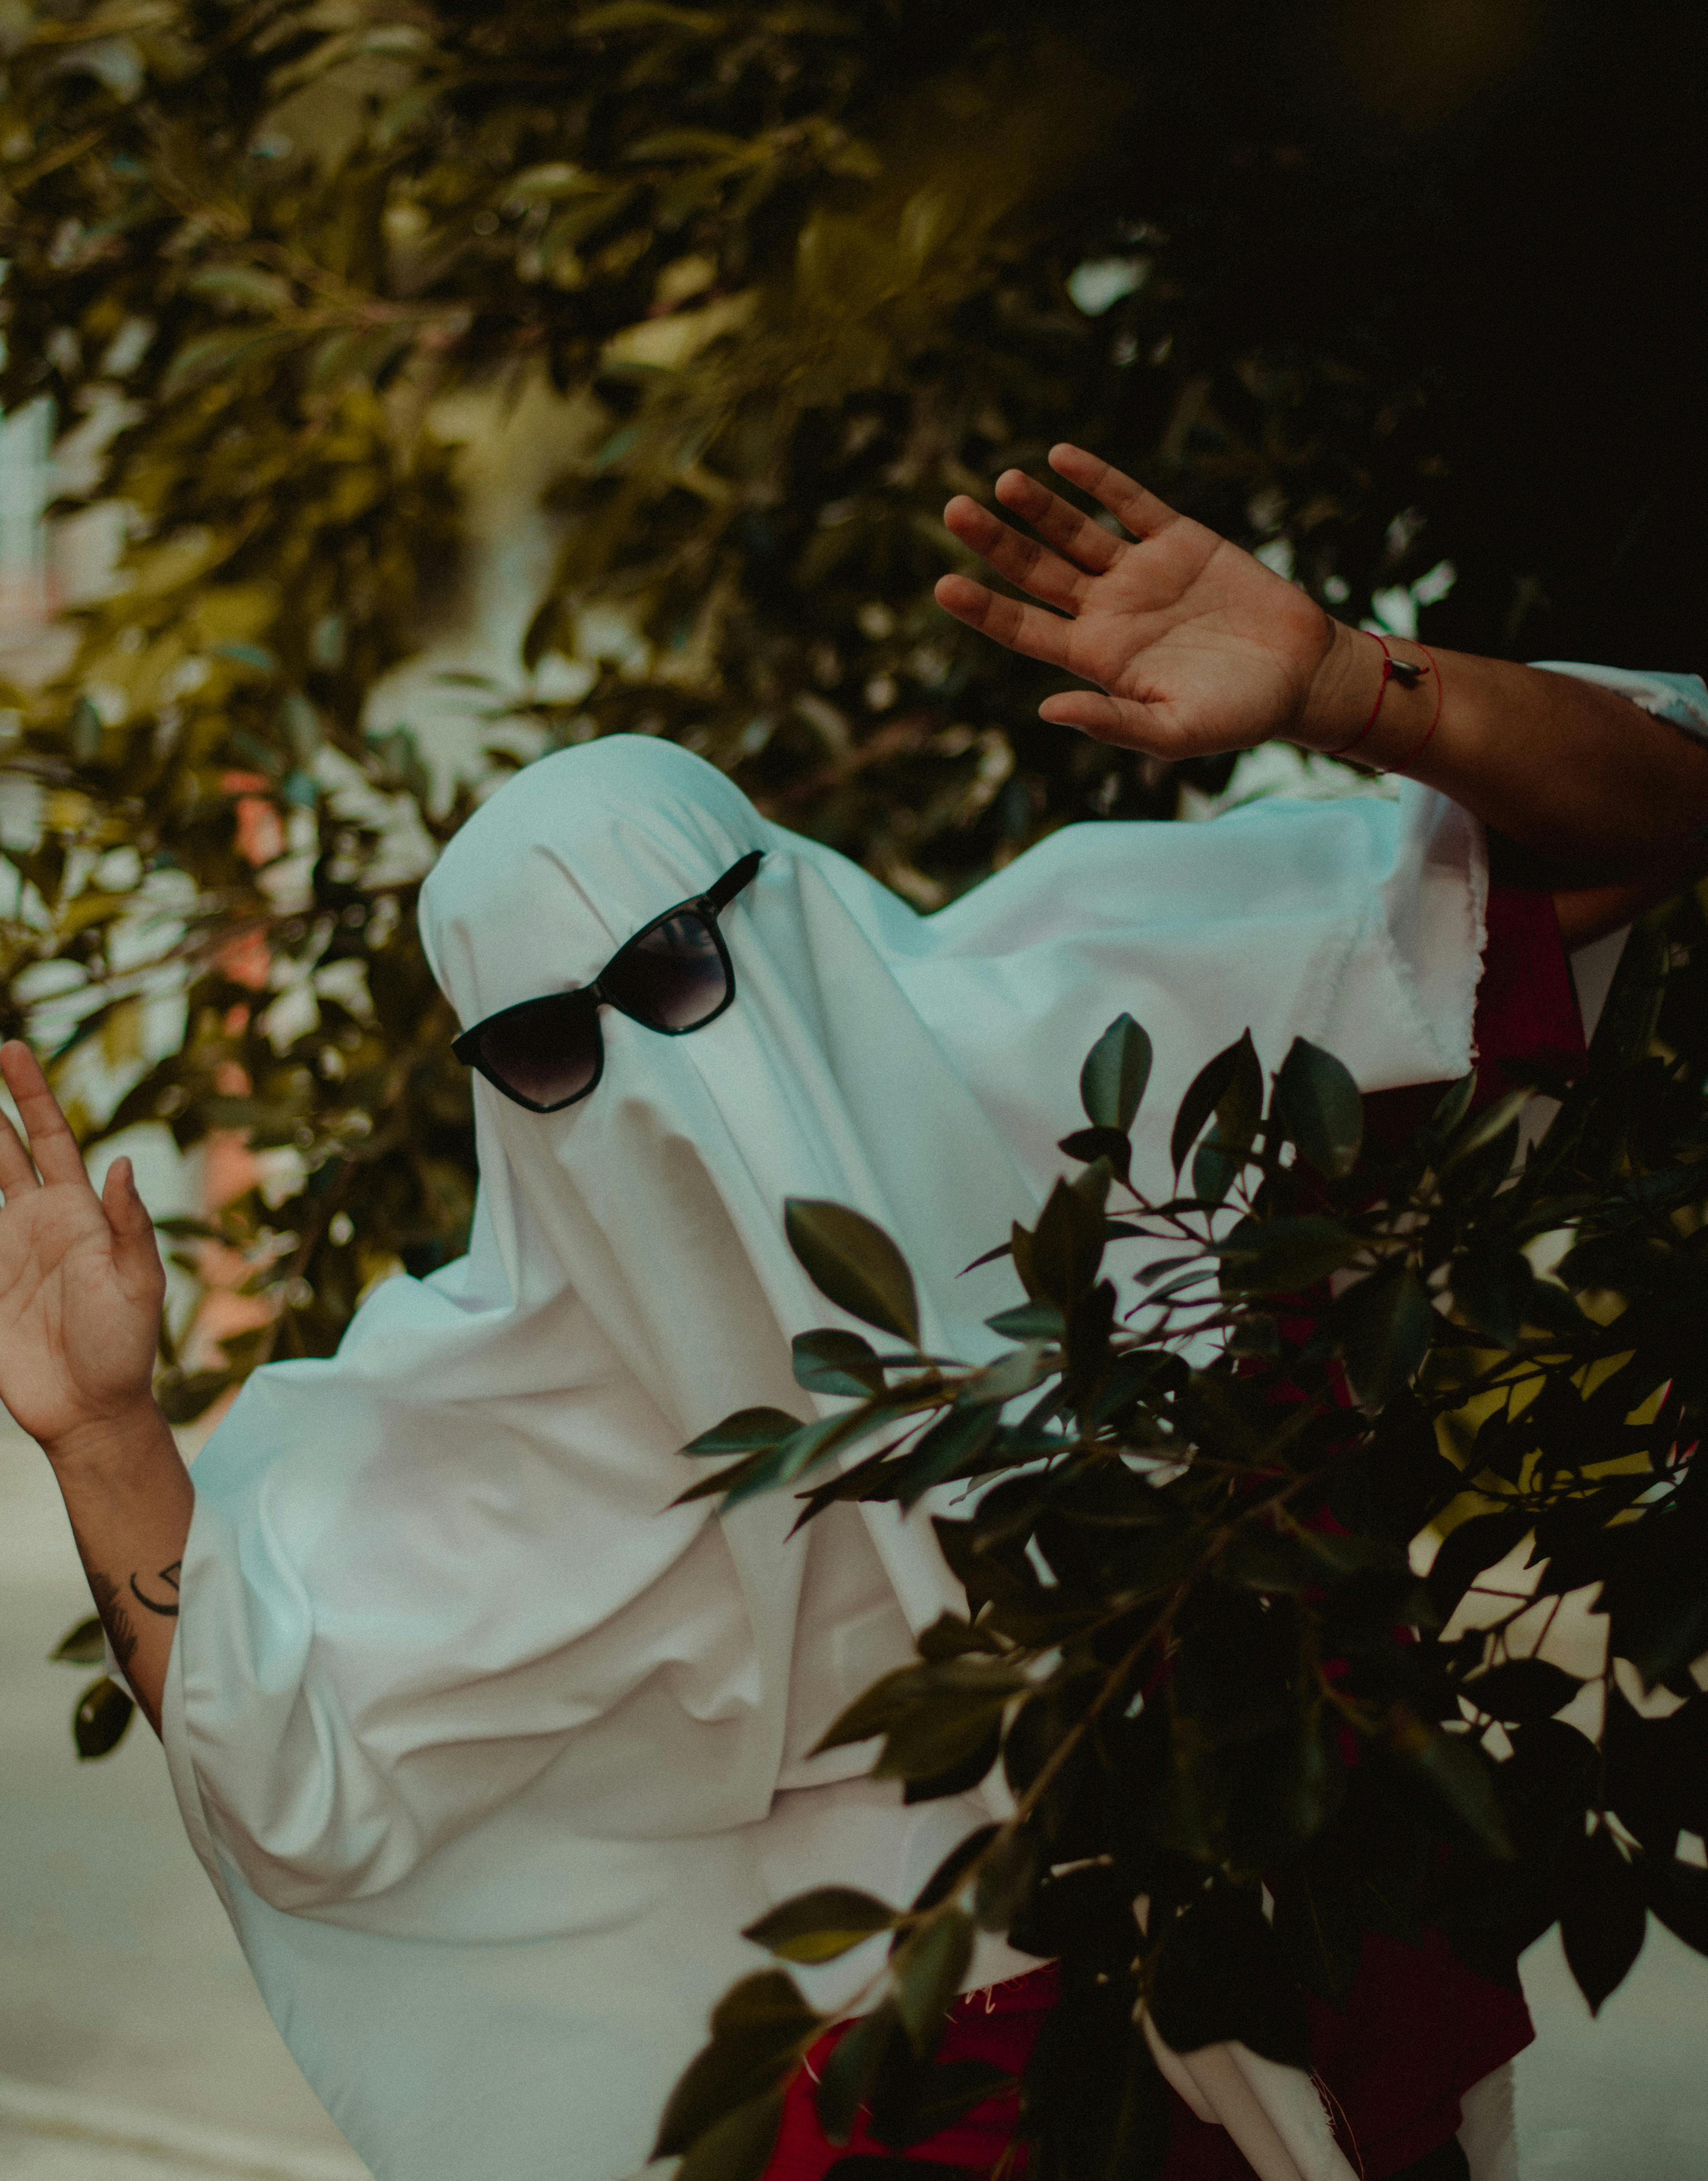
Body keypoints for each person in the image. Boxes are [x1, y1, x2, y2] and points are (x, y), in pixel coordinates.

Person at [1, 446, 1704, 2181]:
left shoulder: (1101, 1028)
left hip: (1321, 1991)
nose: (657, 1085)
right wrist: (107, 1434)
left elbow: (1658, 814)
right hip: (920, 2124)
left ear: (783, 899)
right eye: (547, 1047)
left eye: (676, 968)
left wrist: (1354, 682)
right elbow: (284, 1769)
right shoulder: (509, 1401)